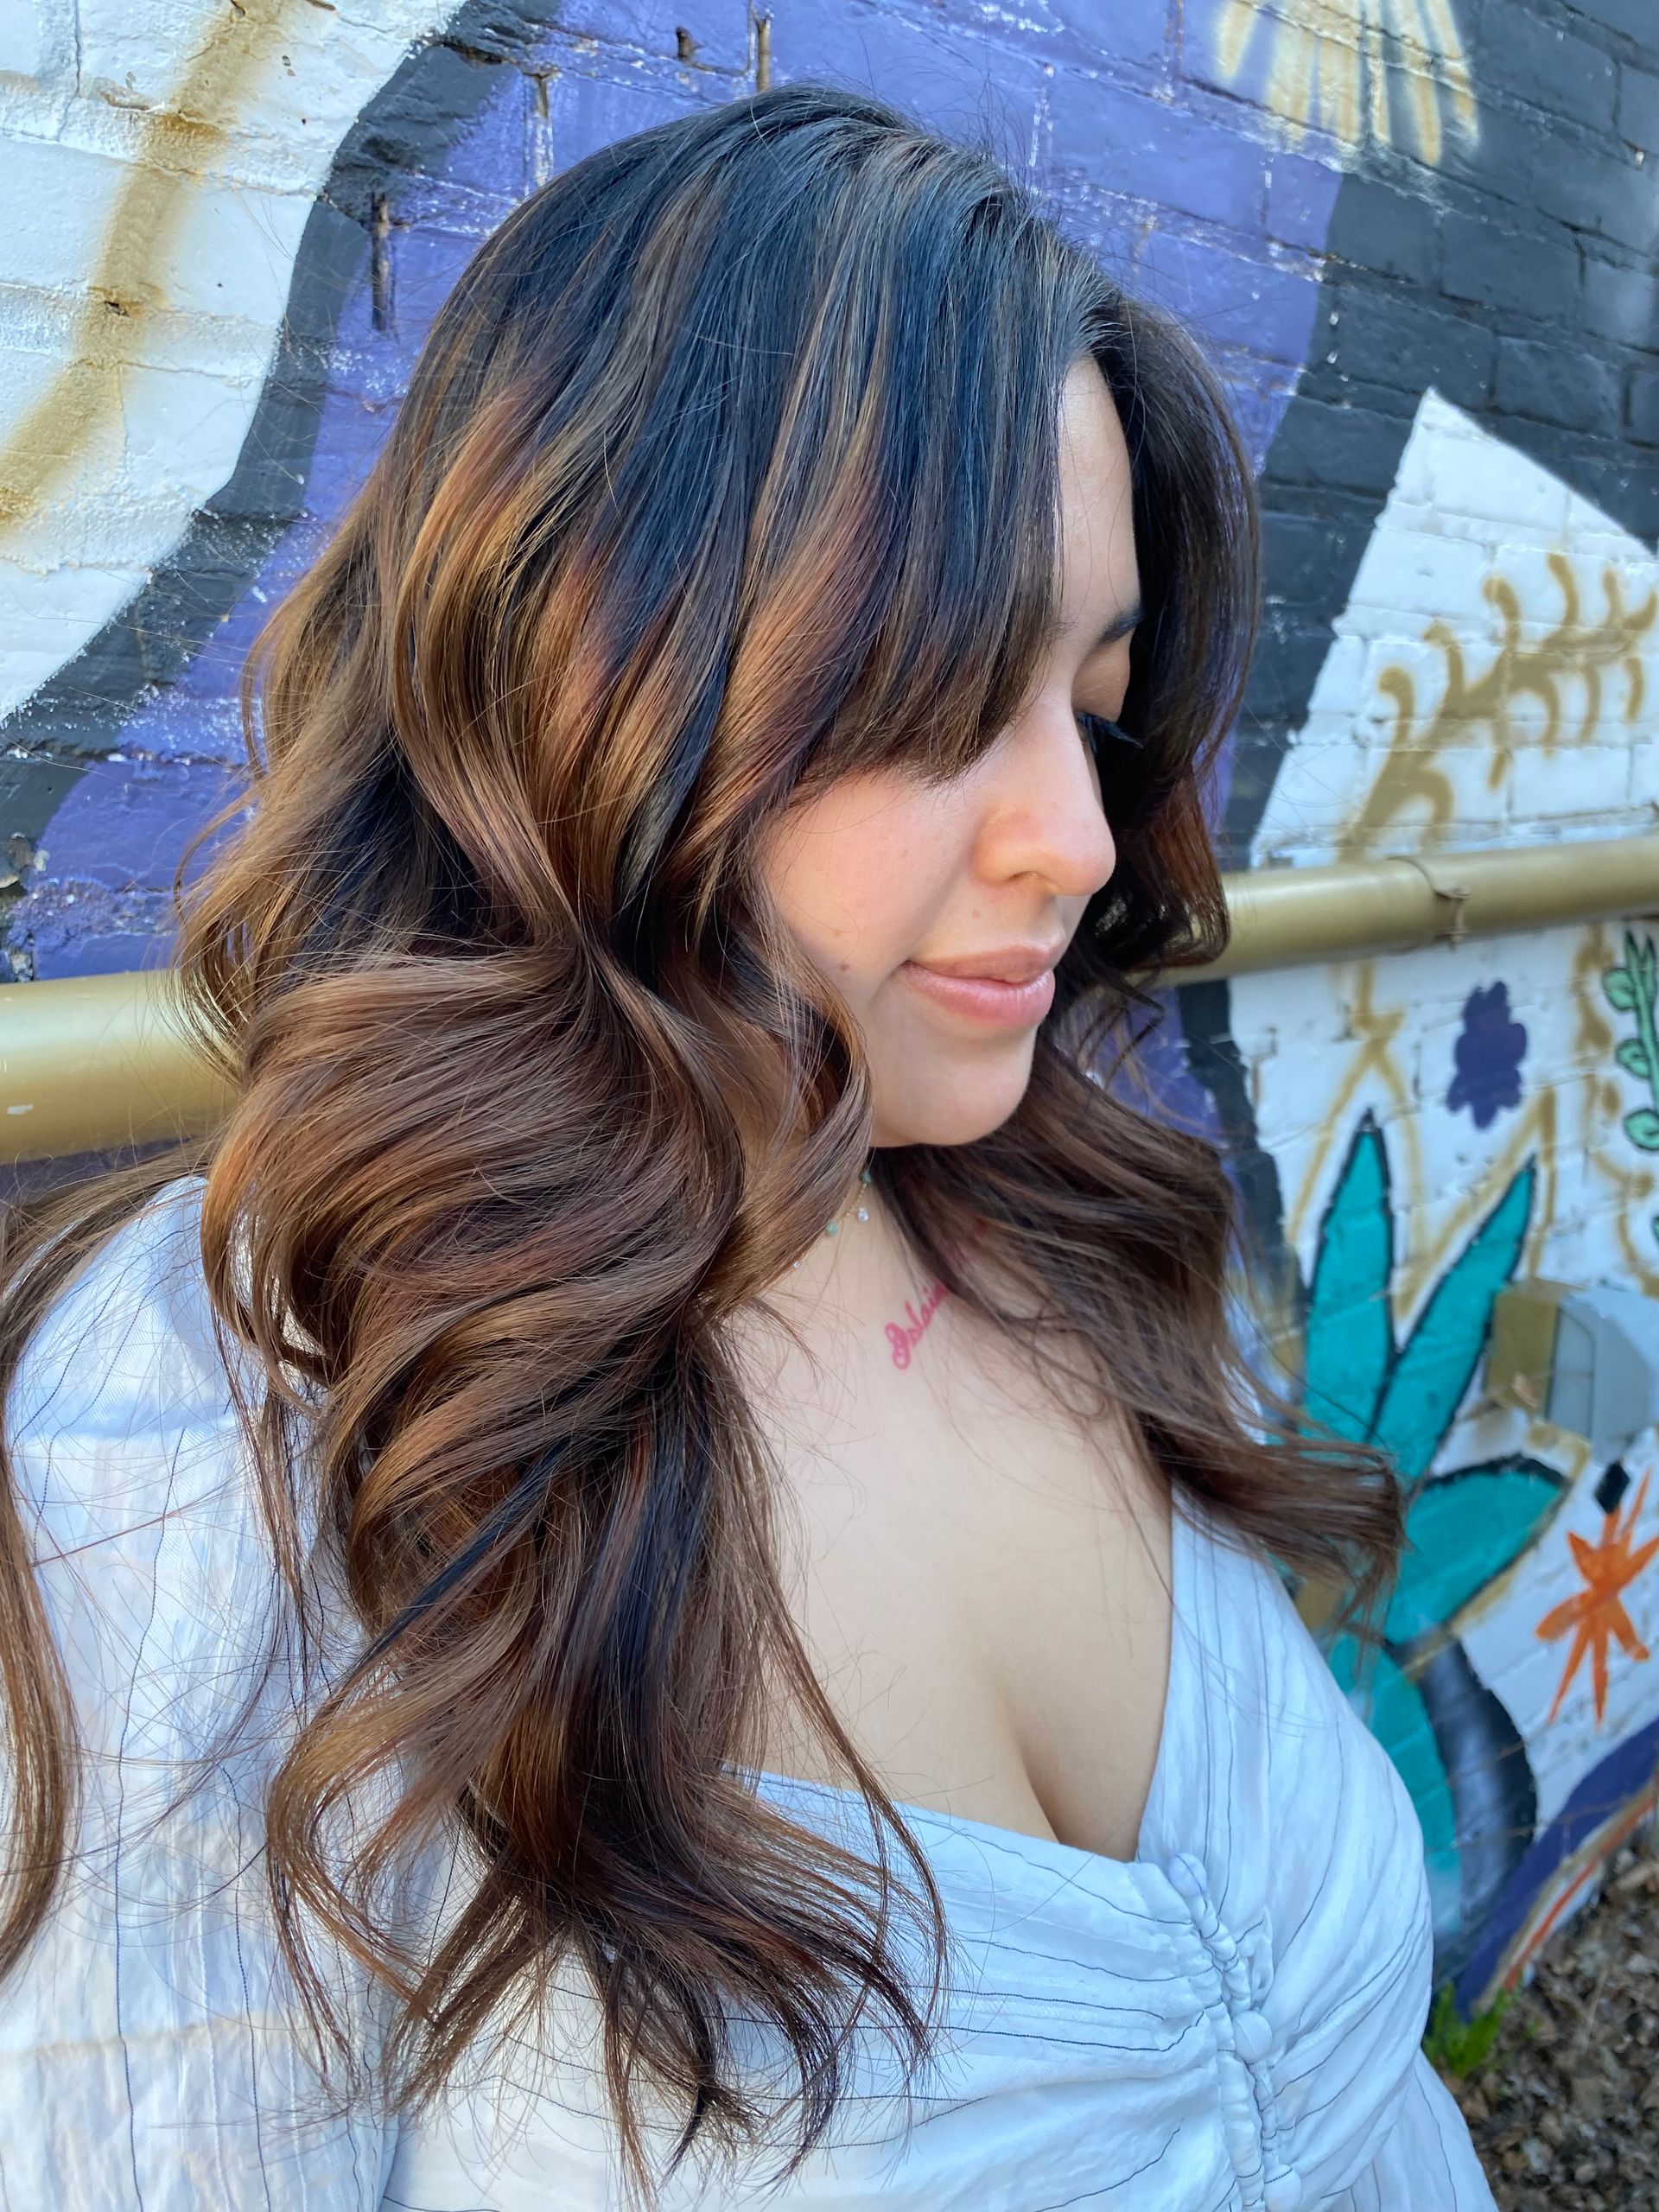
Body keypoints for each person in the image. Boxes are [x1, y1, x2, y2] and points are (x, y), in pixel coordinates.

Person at [0, 83, 1494, 2210]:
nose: (1078, 840)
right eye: (931, 701)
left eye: (1094, 697)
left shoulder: (1050, 1206)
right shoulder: (212, 1435)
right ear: (592, 676)